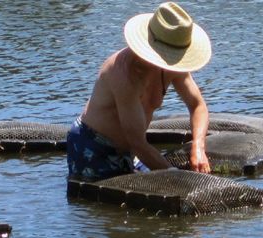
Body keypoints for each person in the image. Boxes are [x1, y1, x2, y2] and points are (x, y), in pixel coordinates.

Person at [67, 2, 212, 181]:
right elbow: (136, 142)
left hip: (132, 149)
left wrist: (198, 147)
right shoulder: (122, 73)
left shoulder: (174, 68)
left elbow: (197, 105)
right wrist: (177, 177)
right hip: (94, 146)